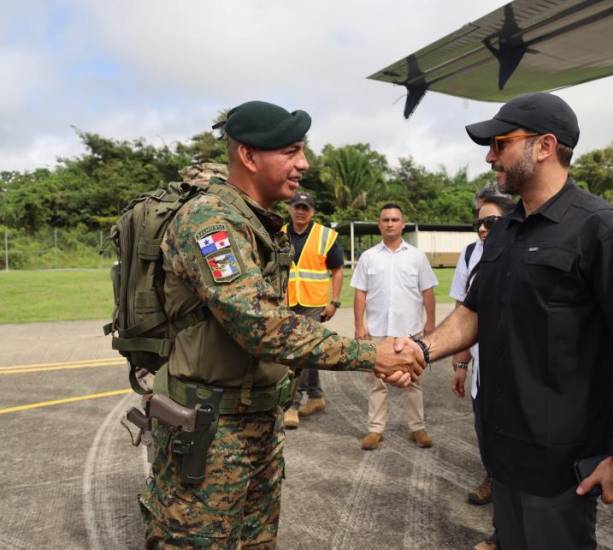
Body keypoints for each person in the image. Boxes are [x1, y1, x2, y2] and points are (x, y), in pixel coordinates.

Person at [138, 100, 422, 548]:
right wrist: (373, 354)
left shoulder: (259, 222)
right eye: (290, 152)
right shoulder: (210, 221)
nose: (303, 164)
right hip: (210, 431)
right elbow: (261, 325)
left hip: (255, 421)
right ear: (249, 156)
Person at [400, 92, 613, 550]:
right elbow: (471, 312)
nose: (489, 155)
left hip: (561, 463)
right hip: (503, 450)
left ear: (544, 146)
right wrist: (422, 350)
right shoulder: (504, 230)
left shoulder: (604, 230)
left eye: (500, 143)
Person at [449, 192, 515, 550]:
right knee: (490, 445)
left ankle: (504, 535)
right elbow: (463, 311)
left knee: (518, 458)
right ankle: (500, 521)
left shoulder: (525, 252)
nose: (483, 229)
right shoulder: (471, 254)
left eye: (491, 221)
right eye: (479, 222)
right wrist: (460, 363)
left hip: (521, 378)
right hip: (484, 373)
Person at [352, 203, 438, 451]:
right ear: (379, 224)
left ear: (403, 223)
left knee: (413, 381)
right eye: (385, 219)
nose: (390, 223)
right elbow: (360, 294)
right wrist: (359, 327)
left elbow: (428, 292)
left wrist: (430, 324)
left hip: (409, 332)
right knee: (376, 382)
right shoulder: (368, 257)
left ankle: (417, 428)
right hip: (377, 331)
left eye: (394, 219)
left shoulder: (417, 256)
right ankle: (375, 430)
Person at [282, 190, 345, 429]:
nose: (300, 211)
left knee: (300, 351)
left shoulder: (325, 236)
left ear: (312, 211)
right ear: (290, 208)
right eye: (297, 206)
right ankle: (316, 395)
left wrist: (335, 301)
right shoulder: (278, 233)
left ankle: (292, 405)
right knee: (308, 352)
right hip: (286, 302)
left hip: (313, 303)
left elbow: (337, 270)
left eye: (305, 208)